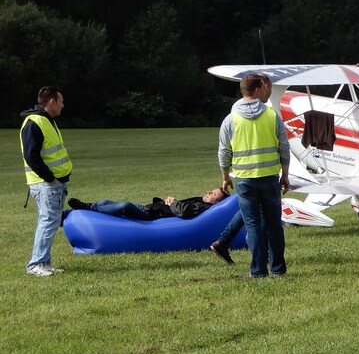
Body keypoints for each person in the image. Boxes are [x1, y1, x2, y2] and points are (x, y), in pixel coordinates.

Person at [218, 73, 290, 278]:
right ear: (257, 90)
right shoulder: (272, 115)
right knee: (274, 225)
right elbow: (284, 147)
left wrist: (225, 176)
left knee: (254, 225)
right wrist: (285, 174)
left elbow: (224, 151)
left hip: (244, 179)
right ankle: (278, 268)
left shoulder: (230, 119)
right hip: (269, 177)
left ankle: (258, 271)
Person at [21, 86, 72, 277]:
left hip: (53, 183)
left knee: (50, 221)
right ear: (52, 102)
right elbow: (31, 156)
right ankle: (36, 264)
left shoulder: (46, 120)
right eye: (61, 101)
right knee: (48, 220)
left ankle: (44, 262)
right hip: (46, 184)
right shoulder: (34, 122)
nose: (62, 105)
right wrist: (50, 178)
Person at [67, 188, 229, 220]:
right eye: (210, 191)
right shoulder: (200, 201)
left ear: (217, 202)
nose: (208, 193)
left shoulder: (204, 208)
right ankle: (70, 212)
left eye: (213, 194)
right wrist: (170, 203)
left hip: (154, 216)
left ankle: (87, 207)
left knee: (125, 206)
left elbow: (184, 212)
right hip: (153, 209)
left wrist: (173, 203)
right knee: (105, 202)